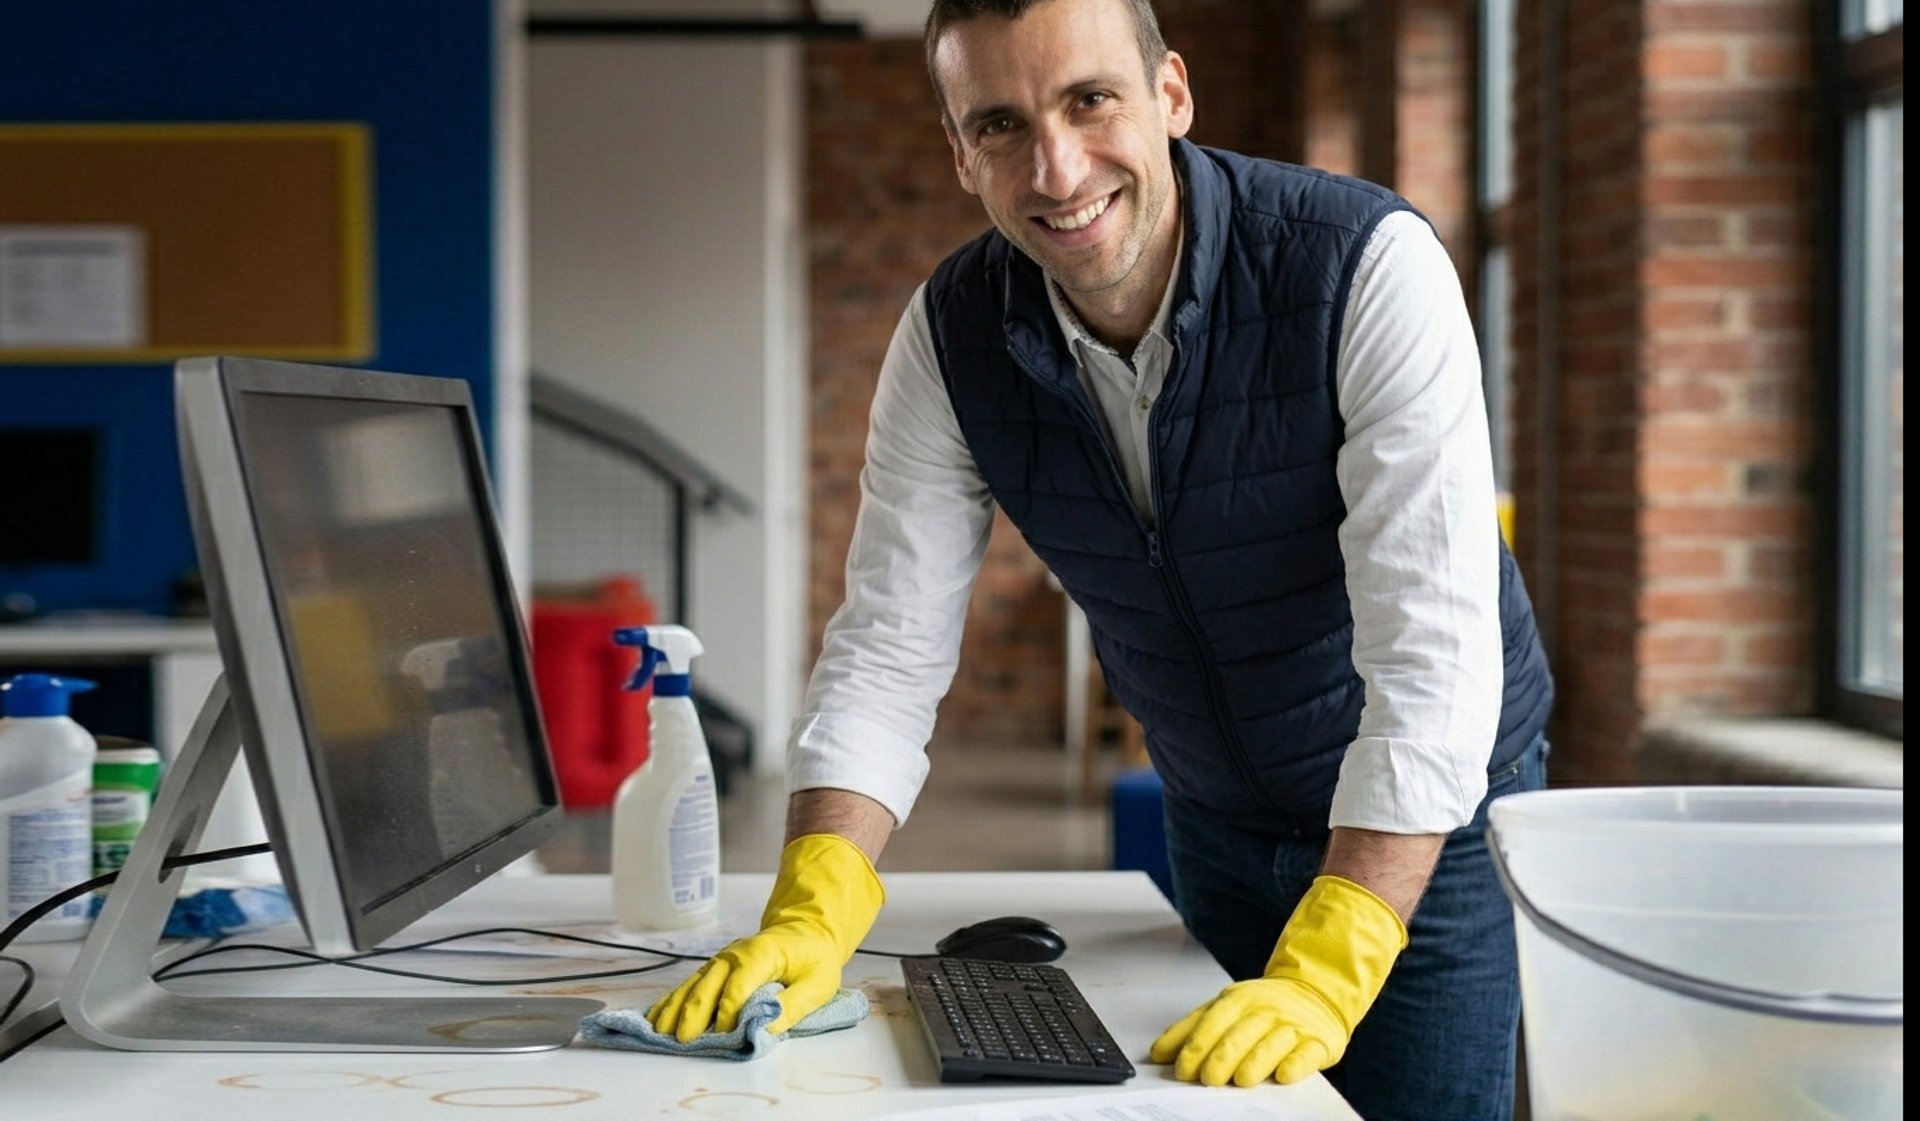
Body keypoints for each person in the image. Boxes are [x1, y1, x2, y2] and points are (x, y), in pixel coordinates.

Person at [646, 1, 1554, 1116]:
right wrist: (811, 901)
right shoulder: (950, 336)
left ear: (1170, 93)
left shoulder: (1365, 266)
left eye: (1090, 100)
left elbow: (1436, 654)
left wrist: (1338, 947)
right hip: (1215, 815)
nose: (1057, 167)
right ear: (961, 153)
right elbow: (887, 645)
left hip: (1426, 836)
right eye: (1000, 125)